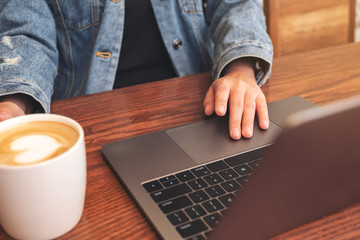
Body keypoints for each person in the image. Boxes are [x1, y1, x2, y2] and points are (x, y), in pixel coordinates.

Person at [0, 0, 273, 140]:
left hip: (201, 105)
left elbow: (235, 5)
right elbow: (27, 31)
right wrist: (13, 104)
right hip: (88, 122)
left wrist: (240, 71)